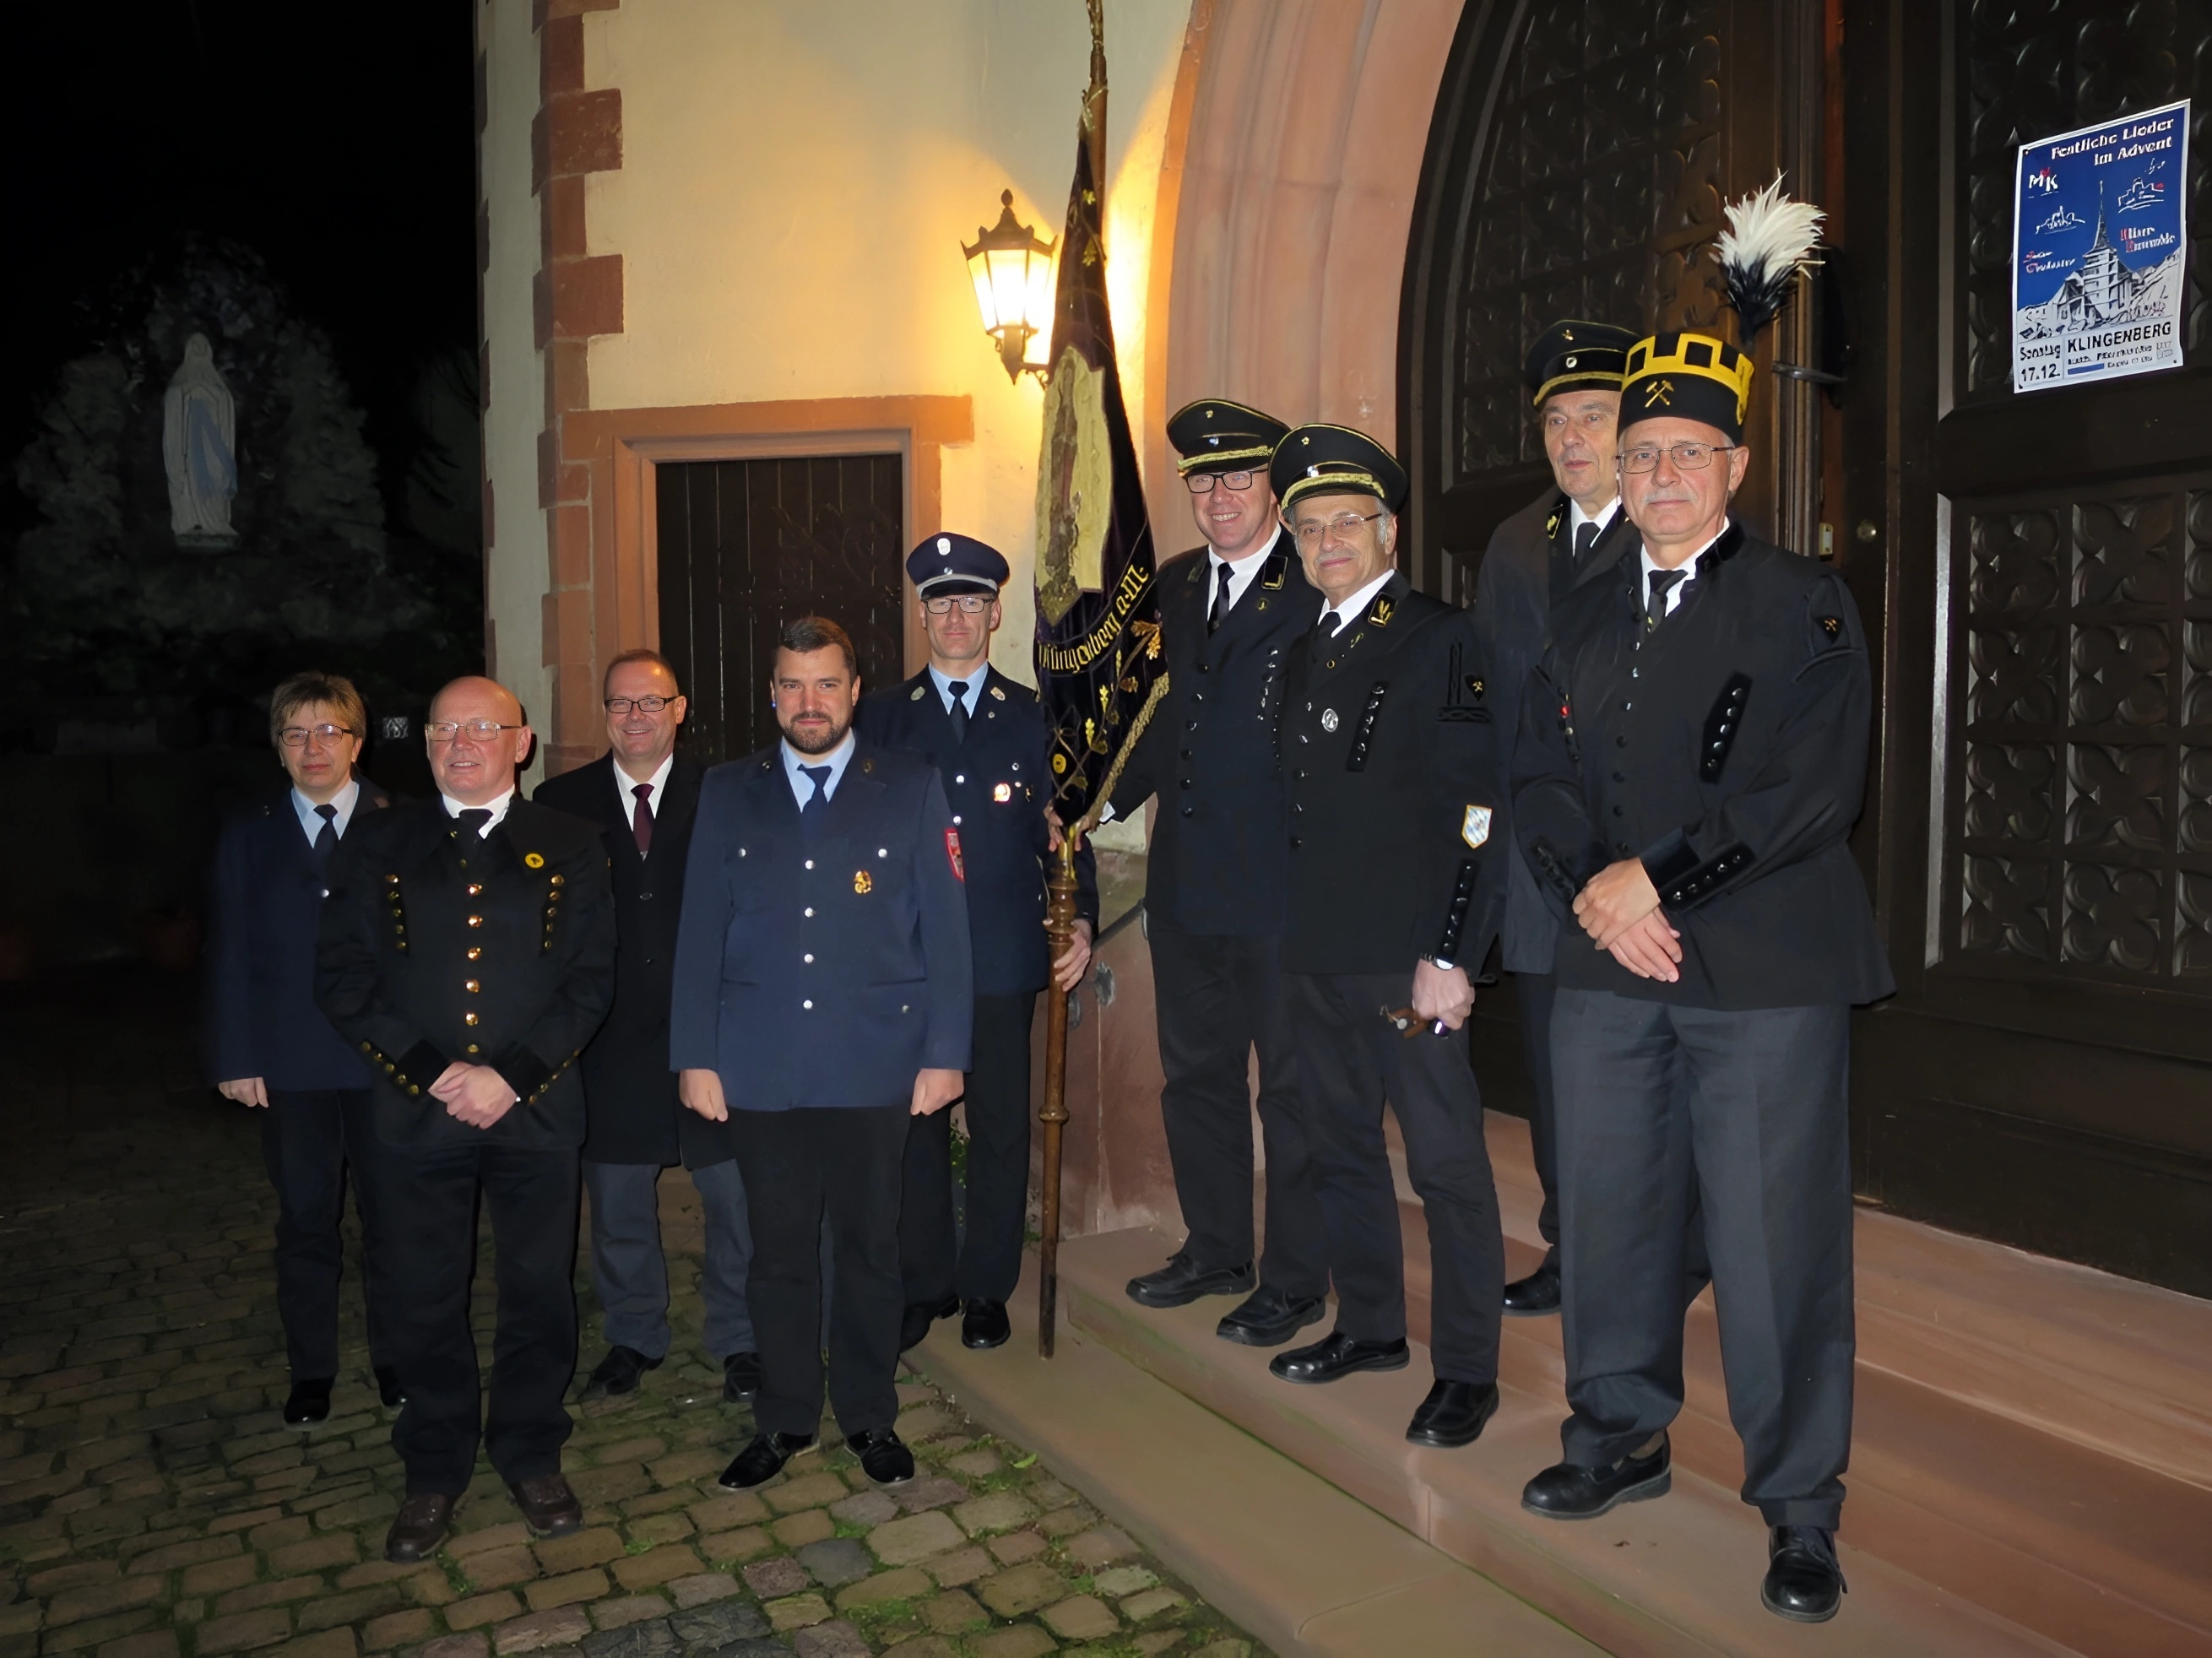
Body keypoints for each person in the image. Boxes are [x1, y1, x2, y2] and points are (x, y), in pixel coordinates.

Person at [1512, 333, 1892, 1623]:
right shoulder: (1580, 610)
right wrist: (1596, 897)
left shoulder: (1807, 599)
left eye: (1687, 453)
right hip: (1613, 963)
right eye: (1641, 455)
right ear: (1616, 473)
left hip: (1765, 971)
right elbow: (1539, 781)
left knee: (1773, 1242)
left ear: (1736, 464)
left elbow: (1812, 792)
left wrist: (1657, 879)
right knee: (1611, 1214)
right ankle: (1616, 1432)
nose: (1663, 472)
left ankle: (1799, 1510)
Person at [316, 676, 616, 1562]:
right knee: (421, 1292)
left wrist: (511, 1078)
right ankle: (434, 1464)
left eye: (483, 727)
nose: (461, 742)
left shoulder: (571, 844)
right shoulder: (379, 842)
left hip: (536, 1112)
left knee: (537, 1289)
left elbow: (590, 980)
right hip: (418, 1113)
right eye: (445, 726)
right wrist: (436, 1073)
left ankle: (530, 1448)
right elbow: (341, 977)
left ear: (519, 743)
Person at [671, 616, 972, 1491]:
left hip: (876, 1064)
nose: (810, 702)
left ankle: (870, 1412)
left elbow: (946, 936)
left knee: (873, 1246)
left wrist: (945, 1051)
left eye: (826, 683)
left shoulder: (909, 786)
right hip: (760, 1065)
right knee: (777, 1251)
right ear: (772, 692)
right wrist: (696, 1053)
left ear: (853, 689)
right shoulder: (729, 790)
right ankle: (786, 1414)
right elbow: (701, 931)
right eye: (792, 685)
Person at [1265, 424, 1510, 1451]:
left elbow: (1474, 809)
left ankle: (1467, 1369)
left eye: (1345, 523)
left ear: (1388, 530)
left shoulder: (1441, 639)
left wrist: (1450, 951)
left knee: (1446, 1163)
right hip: (1314, 949)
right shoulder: (1299, 644)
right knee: (1339, 1150)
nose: (1327, 542)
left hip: (1405, 958)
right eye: (1308, 527)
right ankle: (1369, 1326)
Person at [1105, 399, 1333, 1348]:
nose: (1219, 496)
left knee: (1289, 1087)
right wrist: (1105, 801)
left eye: (1238, 477)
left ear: (1274, 489)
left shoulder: (1317, 577)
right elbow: (1164, 717)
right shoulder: (1175, 583)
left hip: (1281, 886)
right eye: (1202, 480)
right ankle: (1215, 1247)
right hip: (1188, 880)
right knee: (1195, 1075)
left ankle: (1293, 1278)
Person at [856, 535, 1095, 1355]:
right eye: (939, 602)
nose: (955, 616)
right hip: (908, 957)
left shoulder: (1035, 716)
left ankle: (988, 1284)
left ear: (995, 614)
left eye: (970, 602)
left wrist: (1084, 916)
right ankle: (926, 1280)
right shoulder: (881, 716)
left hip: (999, 954)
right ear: (923, 615)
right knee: (914, 1124)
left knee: (997, 1124)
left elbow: (1065, 835)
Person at [534, 649, 760, 1406]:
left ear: (680, 709)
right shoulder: (559, 801)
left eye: (651, 703)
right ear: (605, 714)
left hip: (717, 1034)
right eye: (621, 704)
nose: (636, 717)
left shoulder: (729, 793)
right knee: (620, 1206)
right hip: (608, 1039)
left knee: (736, 1199)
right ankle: (633, 1334)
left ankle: (742, 1339)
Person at [1470, 320, 1638, 1315]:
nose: (1571, 437)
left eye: (1594, 415)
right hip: (1538, 866)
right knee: (1550, 1072)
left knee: (1638, 1075)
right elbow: (1492, 708)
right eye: (1556, 421)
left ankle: (1647, 1253)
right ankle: (1571, 1248)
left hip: (1637, 867)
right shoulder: (1511, 543)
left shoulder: (1666, 522)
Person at [205, 671, 401, 1425]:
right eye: (295, 733)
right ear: (279, 747)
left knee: (394, 1223)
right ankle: (311, 1371)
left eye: (328, 731)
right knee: (306, 1224)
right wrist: (235, 1055)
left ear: (356, 740)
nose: (312, 747)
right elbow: (229, 950)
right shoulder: (248, 832)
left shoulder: (401, 823)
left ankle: (396, 1360)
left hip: (386, 1065)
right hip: (289, 1065)